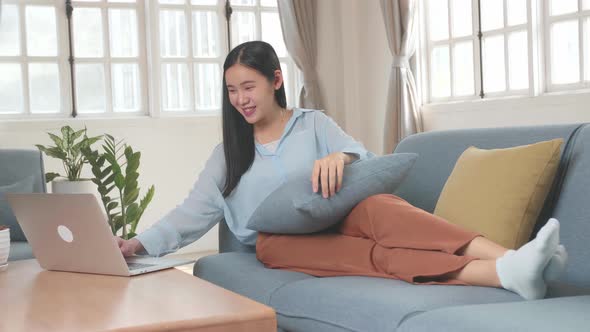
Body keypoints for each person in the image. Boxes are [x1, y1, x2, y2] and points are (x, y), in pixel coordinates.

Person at [116, 41, 568, 300]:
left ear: (276, 80)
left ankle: (510, 256)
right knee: (378, 258)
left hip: (339, 216)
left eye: (248, 86)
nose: (241, 99)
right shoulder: (228, 153)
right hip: (280, 244)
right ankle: (507, 272)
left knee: (381, 205)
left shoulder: (314, 124)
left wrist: (343, 157)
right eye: (232, 90)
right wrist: (136, 244)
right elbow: (191, 213)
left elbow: (366, 161)